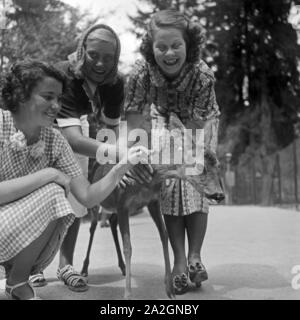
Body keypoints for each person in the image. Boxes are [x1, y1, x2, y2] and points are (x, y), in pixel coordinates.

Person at [0, 60, 150, 300]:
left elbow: (88, 196)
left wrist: (123, 165)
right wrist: (48, 174)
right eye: (48, 97)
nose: (56, 106)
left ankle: (17, 283)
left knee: (55, 193)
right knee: (52, 186)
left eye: (59, 98)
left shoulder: (56, 141)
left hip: (11, 228)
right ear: (21, 94)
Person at [29, 24, 152, 291]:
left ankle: (65, 266)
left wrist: (115, 171)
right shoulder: (65, 75)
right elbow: (72, 139)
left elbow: (107, 134)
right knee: (43, 198)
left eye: (108, 57)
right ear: (83, 49)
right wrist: (125, 158)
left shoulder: (115, 83)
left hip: (78, 131)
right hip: (43, 131)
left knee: (76, 200)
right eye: (94, 54)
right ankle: (30, 267)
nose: (100, 63)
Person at [124, 9, 220, 295]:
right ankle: (179, 260)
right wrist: (140, 154)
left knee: (193, 180)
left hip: (199, 122)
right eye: (161, 46)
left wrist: (187, 160)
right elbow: (134, 118)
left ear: (188, 45)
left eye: (176, 45)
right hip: (160, 119)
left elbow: (196, 125)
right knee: (168, 184)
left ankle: (195, 257)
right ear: (150, 48)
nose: (169, 53)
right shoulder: (141, 73)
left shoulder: (202, 74)